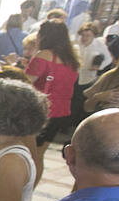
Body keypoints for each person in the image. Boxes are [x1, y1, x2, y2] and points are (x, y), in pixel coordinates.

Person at [25, 19, 79, 150]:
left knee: (29, 151)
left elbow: (25, 83)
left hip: (40, 110)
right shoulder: (71, 60)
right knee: (39, 153)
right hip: (60, 111)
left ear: (45, 35)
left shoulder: (44, 55)